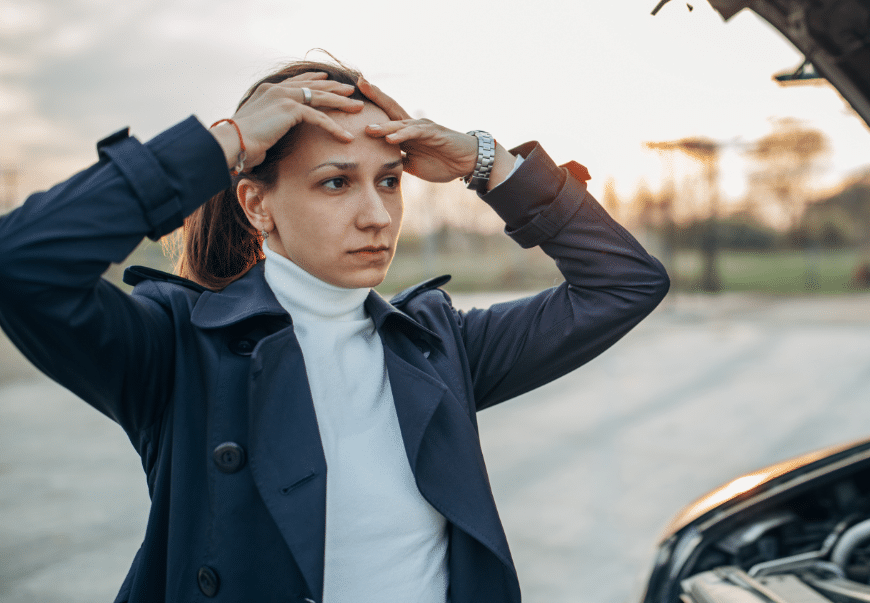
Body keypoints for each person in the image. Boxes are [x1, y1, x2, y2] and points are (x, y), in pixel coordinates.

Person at [0, 60, 669, 603]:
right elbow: (21, 265)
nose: (377, 215)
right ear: (257, 203)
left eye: (388, 181)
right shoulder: (178, 349)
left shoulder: (437, 347)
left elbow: (625, 283)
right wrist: (222, 143)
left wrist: (482, 161)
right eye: (334, 184)